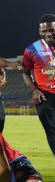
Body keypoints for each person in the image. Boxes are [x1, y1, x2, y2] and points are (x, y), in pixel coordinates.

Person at [23, 14, 55, 156]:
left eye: (51, 30)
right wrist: (34, 89)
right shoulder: (31, 50)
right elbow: (26, 73)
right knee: (52, 130)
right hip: (45, 95)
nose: (48, 34)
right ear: (39, 31)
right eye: (44, 31)